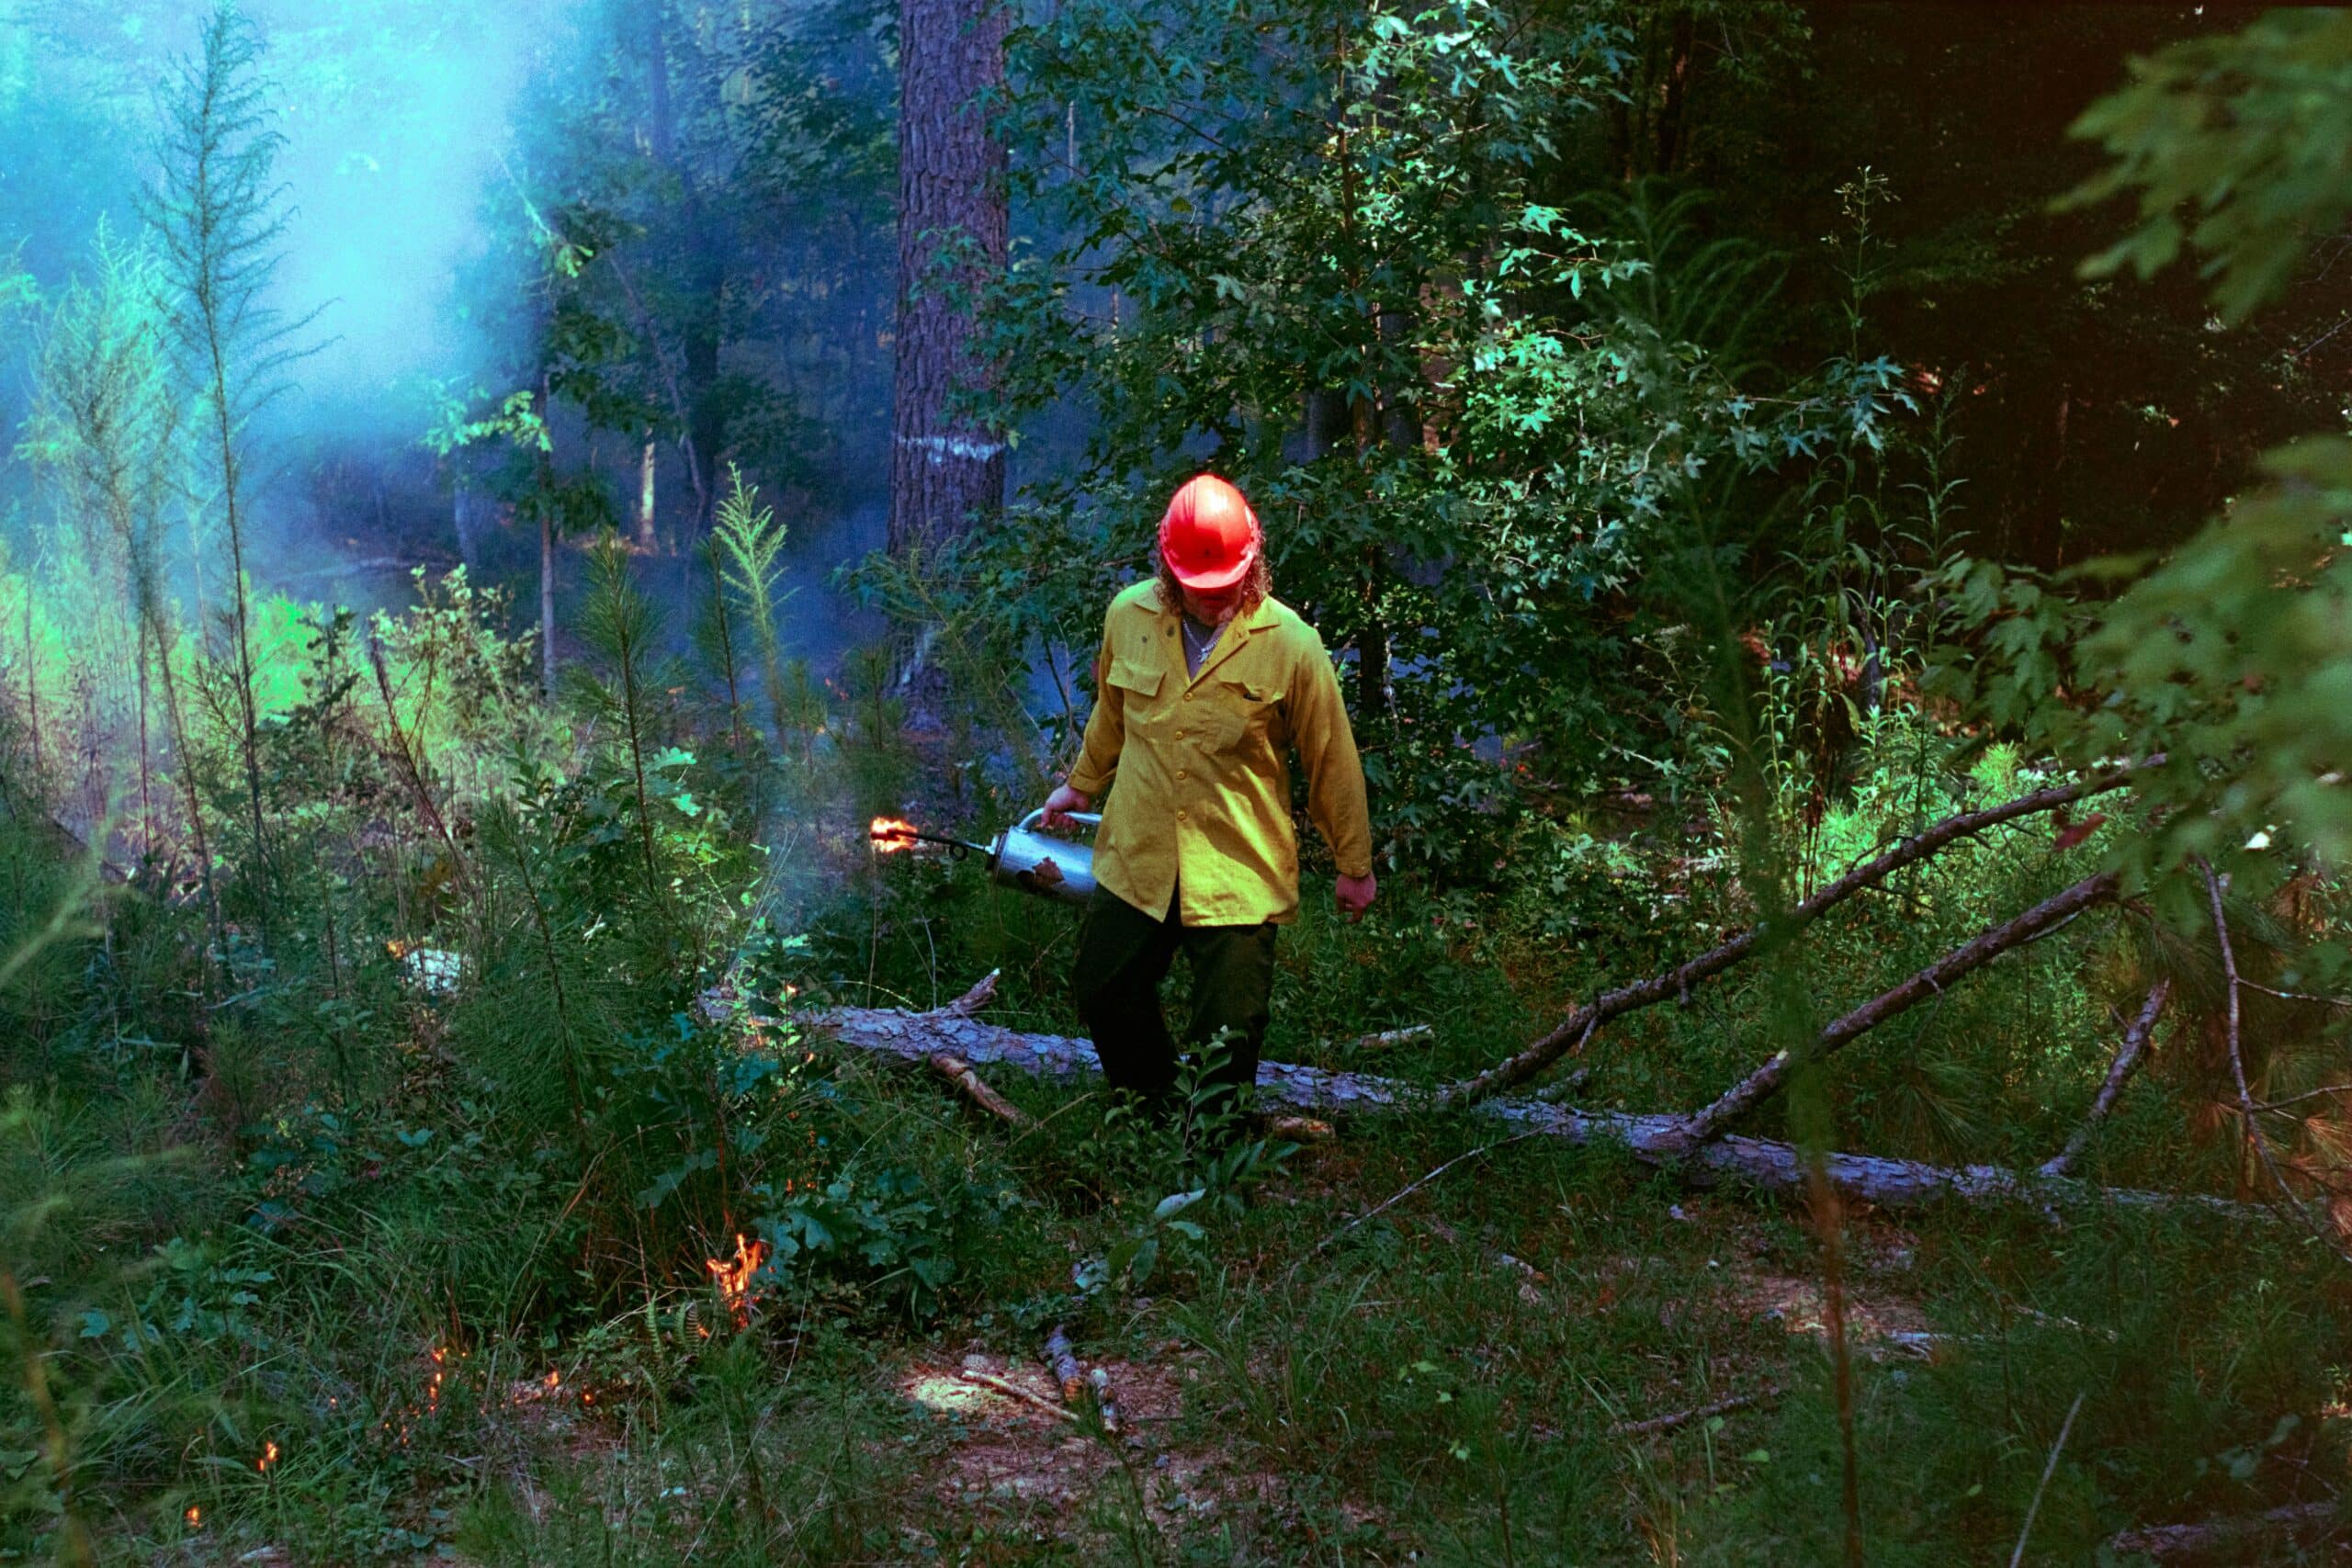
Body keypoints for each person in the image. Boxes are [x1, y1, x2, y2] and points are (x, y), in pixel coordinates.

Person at [1039, 473, 1377, 1123]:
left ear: (1253, 560)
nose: (1215, 597)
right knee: (1102, 988)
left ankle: (1213, 1155)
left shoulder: (1292, 645)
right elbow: (1111, 713)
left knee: (1228, 1034)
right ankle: (1159, 1120)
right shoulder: (1129, 617)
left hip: (1237, 868)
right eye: (1200, 586)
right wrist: (1081, 782)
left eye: (1227, 583)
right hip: (1139, 854)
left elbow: (1332, 758)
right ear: (1169, 568)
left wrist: (1353, 864)